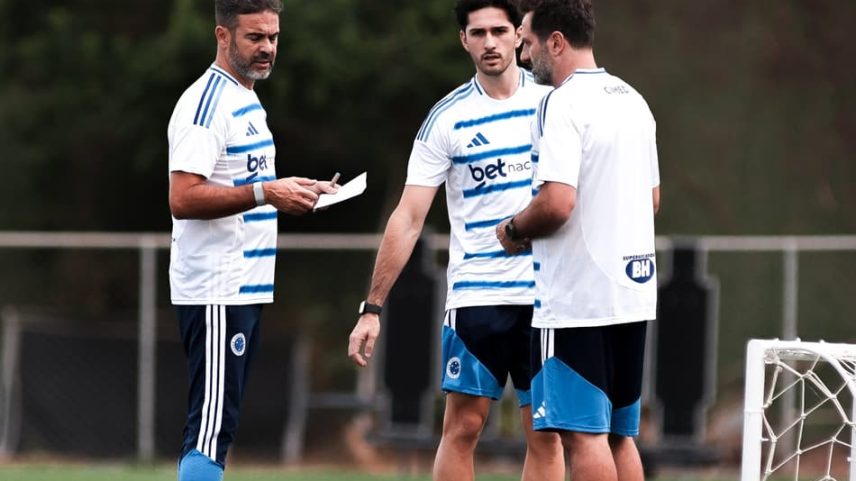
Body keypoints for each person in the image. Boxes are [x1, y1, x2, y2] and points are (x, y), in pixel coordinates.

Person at [347, 1, 563, 480]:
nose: (490, 42)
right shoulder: (447, 118)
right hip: (477, 296)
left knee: (546, 432)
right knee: (463, 427)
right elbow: (408, 216)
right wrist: (372, 308)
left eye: (500, 31)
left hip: (547, 295)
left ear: (518, 34)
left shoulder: (553, 102)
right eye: (478, 32)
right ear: (463, 39)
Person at [167, 1, 336, 480]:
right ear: (223, 36)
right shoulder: (207, 104)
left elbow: (251, 184)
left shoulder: (247, 99)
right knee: (209, 429)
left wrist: (298, 189)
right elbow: (183, 197)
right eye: (254, 38)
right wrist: (265, 191)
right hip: (217, 288)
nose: (267, 49)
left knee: (220, 425)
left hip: (246, 286)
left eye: (274, 37)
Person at [495, 1, 660, 480]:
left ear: (556, 42)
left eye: (525, 44)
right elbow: (651, 199)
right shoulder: (633, 98)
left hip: (576, 300)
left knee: (582, 435)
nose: (523, 58)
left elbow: (557, 203)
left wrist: (512, 230)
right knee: (618, 435)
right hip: (632, 294)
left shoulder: (559, 102)